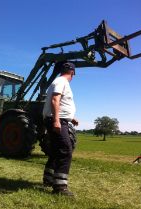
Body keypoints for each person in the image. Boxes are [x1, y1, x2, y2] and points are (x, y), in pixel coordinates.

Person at [42, 61, 79, 196]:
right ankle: (60, 187)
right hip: (56, 121)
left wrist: (70, 117)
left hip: (58, 119)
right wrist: (57, 120)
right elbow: (54, 100)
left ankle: (48, 179)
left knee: (56, 151)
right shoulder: (61, 81)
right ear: (72, 73)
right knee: (65, 150)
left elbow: (61, 102)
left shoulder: (59, 81)